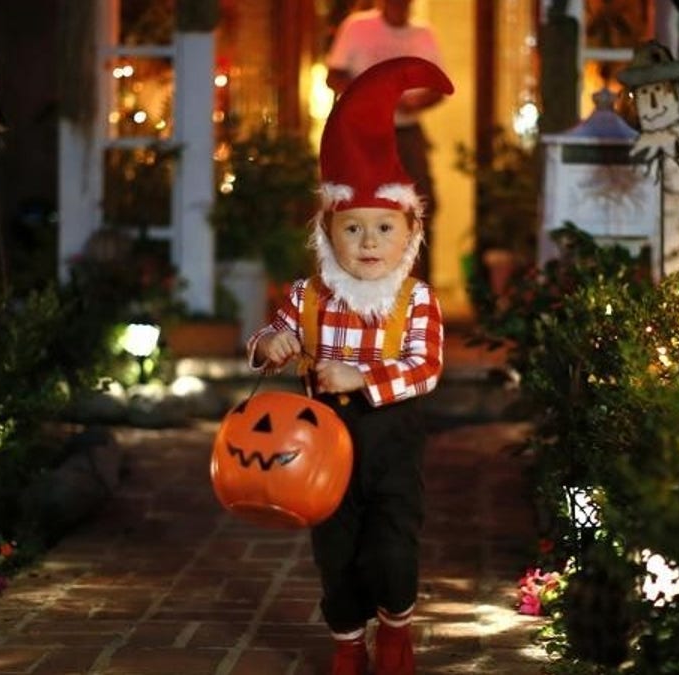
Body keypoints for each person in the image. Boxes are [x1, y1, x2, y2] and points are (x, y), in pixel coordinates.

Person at [247, 57, 453, 675]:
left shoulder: (415, 300)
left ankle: (395, 630)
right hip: (321, 449)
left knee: (390, 549)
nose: (367, 242)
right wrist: (271, 345)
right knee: (336, 555)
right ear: (328, 233)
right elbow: (270, 334)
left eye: (383, 228)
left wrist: (364, 377)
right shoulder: (309, 296)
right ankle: (346, 640)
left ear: (409, 231)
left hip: (390, 441)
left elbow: (427, 367)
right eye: (353, 228)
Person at [325, 0, 446, 282]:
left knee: (422, 205)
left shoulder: (423, 33)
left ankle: (418, 283)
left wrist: (415, 103)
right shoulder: (357, 27)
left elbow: (437, 88)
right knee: (357, 202)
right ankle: (350, 278)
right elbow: (334, 75)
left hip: (405, 132)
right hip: (363, 134)